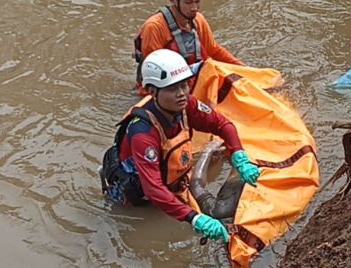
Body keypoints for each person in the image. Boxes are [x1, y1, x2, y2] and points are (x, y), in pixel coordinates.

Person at [100, 49, 261, 242]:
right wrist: (195, 219)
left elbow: (223, 125)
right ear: (152, 91)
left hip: (172, 180)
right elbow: (153, 189)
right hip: (141, 196)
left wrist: (239, 156)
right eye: (172, 89)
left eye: (184, 85)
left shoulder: (187, 106)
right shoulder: (143, 133)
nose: (181, 94)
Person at [133, 0, 244, 94]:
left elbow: (213, 51)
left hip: (190, 83)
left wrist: (244, 70)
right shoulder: (154, 27)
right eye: (188, 2)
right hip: (165, 90)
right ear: (173, 0)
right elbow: (154, 73)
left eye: (197, 1)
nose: (194, 8)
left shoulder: (199, 20)